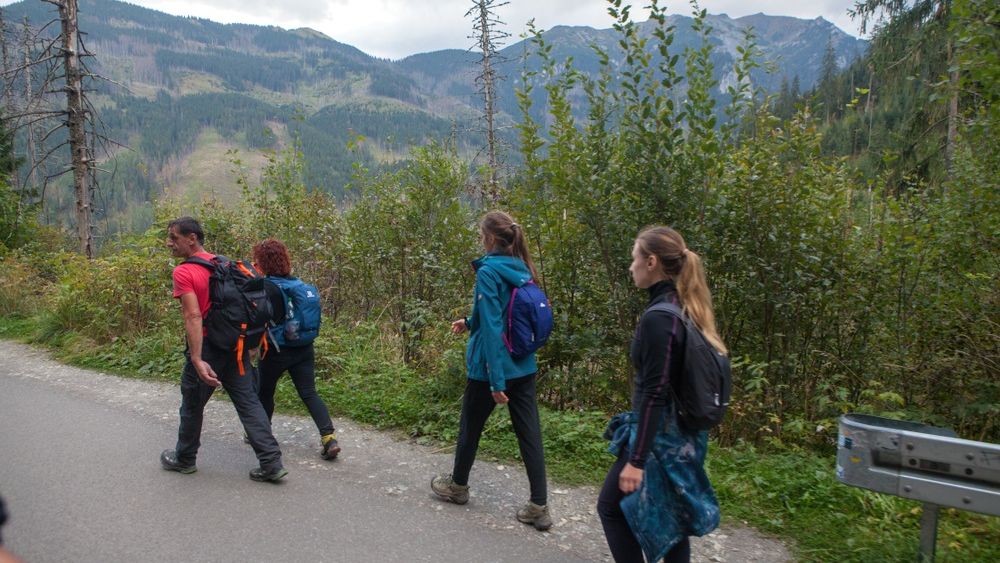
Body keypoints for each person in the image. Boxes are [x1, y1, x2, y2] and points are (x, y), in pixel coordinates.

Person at [597, 226, 724, 562]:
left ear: (651, 261)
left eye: (634, 259)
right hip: (683, 437)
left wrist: (636, 461)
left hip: (659, 440)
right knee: (673, 522)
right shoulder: (685, 307)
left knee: (611, 507)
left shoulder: (659, 317)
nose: (630, 267)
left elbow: (654, 392)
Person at [430, 211, 552, 531]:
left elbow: (496, 327)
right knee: (530, 434)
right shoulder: (521, 267)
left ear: (491, 238)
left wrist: (497, 381)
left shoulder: (488, 271)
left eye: (482, 234)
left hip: (490, 369)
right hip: (524, 365)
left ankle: (458, 487)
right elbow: (503, 312)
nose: (480, 239)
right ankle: (539, 505)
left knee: (470, 426)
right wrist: (470, 322)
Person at [159, 216, 288, 482]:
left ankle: (184, 459)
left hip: (208, 348)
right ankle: (272, 463)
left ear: (192, 238)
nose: (168, 243)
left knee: (193, 404)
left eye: (174, 237)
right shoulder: (226, 264)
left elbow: (193, 316)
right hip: (236, 346)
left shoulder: (183, 272)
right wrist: (252, 342)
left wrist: (196, 357)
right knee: (249, 402)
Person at [251, 238, 341, 461]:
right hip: (303, 348)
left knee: (265, 393)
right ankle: (329, 437)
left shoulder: (267, 287)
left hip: (276, 350)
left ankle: (262, 435)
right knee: (309, 393)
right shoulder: (298, 284)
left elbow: (260, 319)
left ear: (262, 262)